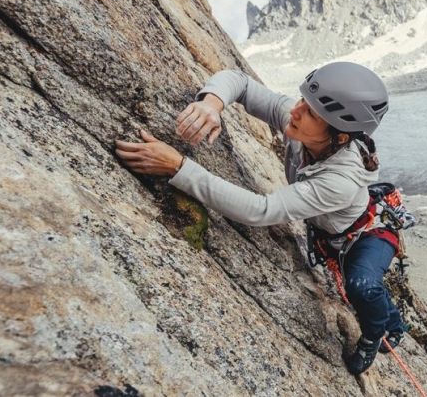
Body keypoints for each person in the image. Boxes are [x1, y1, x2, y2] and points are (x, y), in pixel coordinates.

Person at [114, 62, 406, 375]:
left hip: (364, 236)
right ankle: (393, 322)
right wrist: (211, 103)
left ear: (340, 137)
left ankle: (376, 336)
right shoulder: (305, 129)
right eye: (302, 102)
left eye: (311, 113)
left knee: (362, 285)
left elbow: (259, 210)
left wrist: (178, 168)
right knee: (363, 285)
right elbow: (240, 83)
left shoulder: (340, 180)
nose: (295, 111)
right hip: (333, 232)